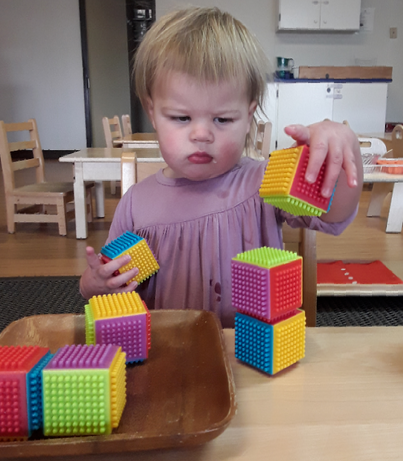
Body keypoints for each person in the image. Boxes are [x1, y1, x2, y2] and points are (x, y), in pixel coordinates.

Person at [80, 6, 363, 328]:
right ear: (152, 112)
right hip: (169, 350)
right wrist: (94, 284)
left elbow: (334, 218)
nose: (202, 134)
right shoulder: (135, 203)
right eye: (181, 118)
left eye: (223, 119)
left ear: (248, 117)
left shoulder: (264, 181)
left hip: (250, 356)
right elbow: (103, 286)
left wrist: (344, 148)